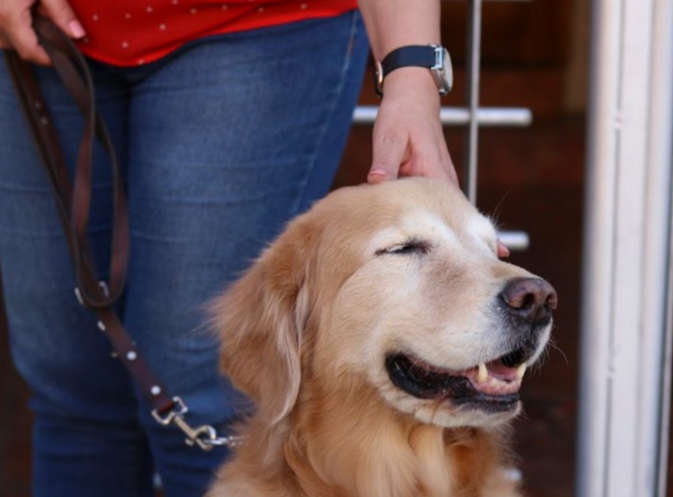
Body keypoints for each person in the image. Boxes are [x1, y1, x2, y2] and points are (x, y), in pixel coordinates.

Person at [0, 1, 457, 496]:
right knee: (69, 382)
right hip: (36, 30)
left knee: (209, 389)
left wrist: (412, 70)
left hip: (256, 24)